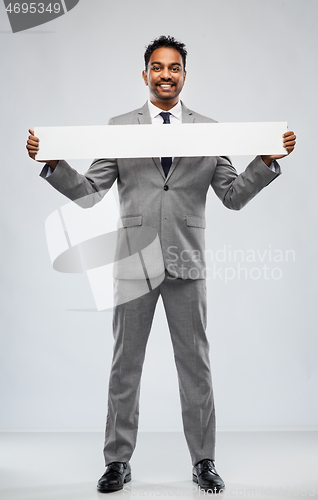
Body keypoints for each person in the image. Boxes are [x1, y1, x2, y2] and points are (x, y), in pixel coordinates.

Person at [26, 35, 296, 493]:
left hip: (186, 263)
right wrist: (54, 163)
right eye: (157, 67)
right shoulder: (118, 128)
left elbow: (231, 197)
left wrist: (265, 160)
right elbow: (90, 193)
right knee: (123, 368)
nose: (166, 75)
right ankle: (117, 462)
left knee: (197, 368)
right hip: (133, 265)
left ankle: (204, 460)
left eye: (174, 68)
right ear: (145, 73)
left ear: (184, 75)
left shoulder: (210, 130)